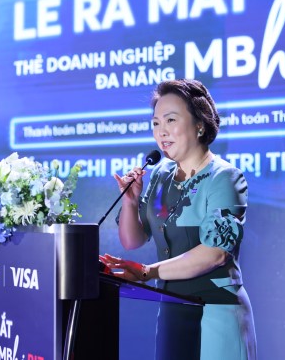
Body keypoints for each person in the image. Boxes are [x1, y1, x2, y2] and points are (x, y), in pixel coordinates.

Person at [99, 78, 257, 359]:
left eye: (171, 120)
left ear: (200, 124)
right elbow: (132, 240)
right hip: (172, 308)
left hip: (216, 311)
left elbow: (214, 254)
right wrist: (130, 201)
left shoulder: (224, 178)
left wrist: (147, 272)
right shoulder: (161, 175)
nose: (161, 131)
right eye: (156, 123)